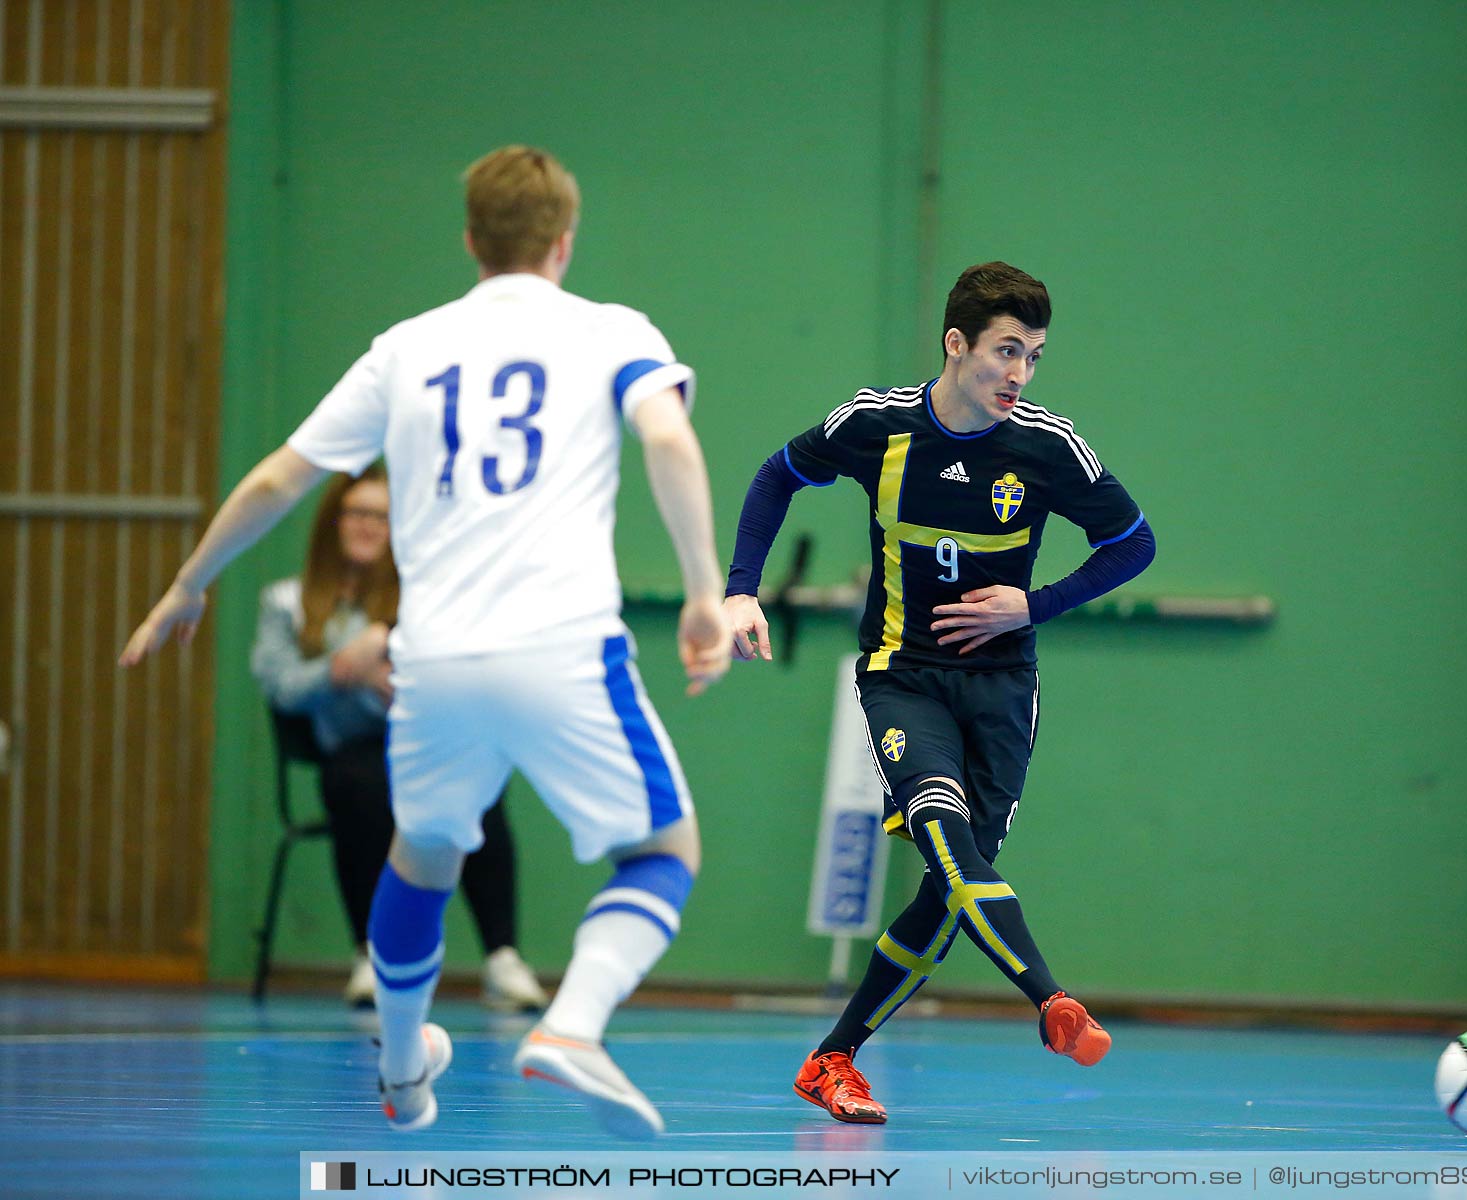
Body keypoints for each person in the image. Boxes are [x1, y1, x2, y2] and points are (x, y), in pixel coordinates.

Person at [122, 145, 731, 1137]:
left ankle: (405, 1071)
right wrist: (704, 591)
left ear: (470, 242)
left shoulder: (405, 348)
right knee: (664, 853)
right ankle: (572, 1027)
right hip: (564, 645)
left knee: (423, 855)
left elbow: (282, 478)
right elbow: (666, 438)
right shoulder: (611, 331)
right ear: (564, 242)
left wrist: (190, 584)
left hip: (433, 661)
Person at [723, 262, 1155, 1124]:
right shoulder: (876, 425)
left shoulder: (1048, 446)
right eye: (1004, 351)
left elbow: (1133, 544)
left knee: (952, 886)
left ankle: (832, 1058)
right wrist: (742, 587)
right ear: (957, 346)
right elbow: (776, 475)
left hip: (1002, 690)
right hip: (902, 677)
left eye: (1033, 355)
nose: (1018, 374)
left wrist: (1031, 604)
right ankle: (1050, 999)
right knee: (945, 836)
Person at [251, 463, 546, 1011]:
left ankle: (502, 957)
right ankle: (370, 955)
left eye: (382, 518)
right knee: (356, 782)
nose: (368, 526)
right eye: (357, 513)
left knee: (478, 778)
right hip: (349, 752)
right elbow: (281, 686)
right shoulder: (286, 602)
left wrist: (407, 684)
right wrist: (342, 670)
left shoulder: (424, 598)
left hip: (423, 739)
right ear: (334, 521)